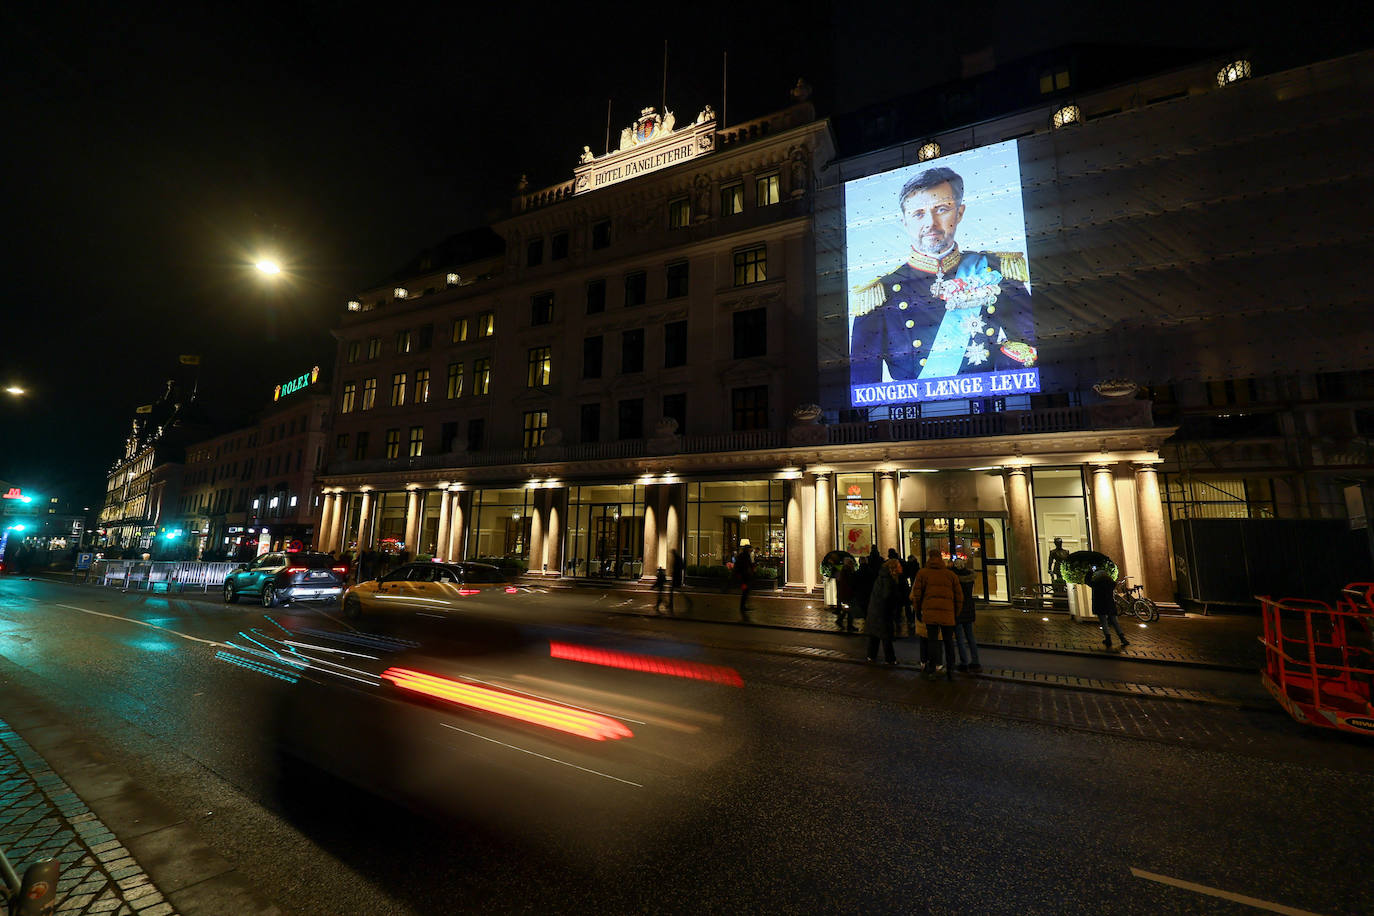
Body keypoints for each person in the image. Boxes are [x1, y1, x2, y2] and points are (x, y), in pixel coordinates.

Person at [850, 165, 1036, 388]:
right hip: (915, 416)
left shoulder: (996, 270)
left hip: (988, 408)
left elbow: (1031, 343)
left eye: (941, 209)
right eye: (918, 214)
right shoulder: (879, 293)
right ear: (905, 222)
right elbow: (863, 381)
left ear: (959, 212)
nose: (930, 224)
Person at [910, 548, 963, 680]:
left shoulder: (922, 573)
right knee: (948, 642)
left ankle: (932, 669)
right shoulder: (950, 575)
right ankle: (950, 670)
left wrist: (917, 611)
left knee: (932, 641)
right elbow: (959, 596)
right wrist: (956, 613)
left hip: (930, 613)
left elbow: (917, 595)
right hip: (948, 614)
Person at [864, 558, 903, 664]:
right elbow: (888, 596)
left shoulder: (882, 577)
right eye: (899, 566)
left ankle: (871, 656)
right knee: (886, 636)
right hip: (883, 612)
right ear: (893, 568)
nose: (901, 568)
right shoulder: (888, 580)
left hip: (876, 610)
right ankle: (890, 659)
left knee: (875, 634)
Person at [951, 559, 981, 672]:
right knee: (970, 637)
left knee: (960, 638)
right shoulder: (970, 577)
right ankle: (975, 661)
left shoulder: (954, 578)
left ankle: (964, 661)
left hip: (958, 609)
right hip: (969, 608)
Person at [1091, 568, 1129, 650]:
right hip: (1110, 605)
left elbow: (1088, 580)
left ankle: (1108, 639)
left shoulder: (1095, 583)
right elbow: (1114, 583)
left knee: (1104, 623)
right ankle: (1122, 638)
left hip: (1100, 605)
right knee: (1115, 622)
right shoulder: (1110, 583)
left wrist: (1089, 572)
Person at [732, 539, 756, 620]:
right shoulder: (745, 556)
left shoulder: (743, 556)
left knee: (746, 591)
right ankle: (743, 606)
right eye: (750, 549)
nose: (751, 551)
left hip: (744, 576)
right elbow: (745, 566)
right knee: (745, 591)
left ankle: (743, 606)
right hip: (744, 576)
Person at [837, 555, 858, 632]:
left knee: (848, 609)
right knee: (850, 609)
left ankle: (841, 620)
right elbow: (850, 582)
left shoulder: (844, 570)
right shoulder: (848, 571)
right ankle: (849, 625)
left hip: (845, 593)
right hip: (848, 593)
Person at [667, 548, 690, 614]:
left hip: (676, 577)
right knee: (673, 590)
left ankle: (670, 604)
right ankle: (670, 604)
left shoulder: (677, 558)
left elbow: (676, 568)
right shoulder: (677, 558)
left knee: (673, 590)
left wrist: (673, 574)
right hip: (677, 577)